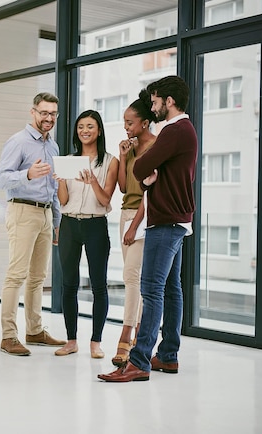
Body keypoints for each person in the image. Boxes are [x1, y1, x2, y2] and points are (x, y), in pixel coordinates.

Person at [98, 75, 197, 382]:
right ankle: (167, 356)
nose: (152, 107)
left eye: (155, 102)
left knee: (151, 290)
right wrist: (151, 175)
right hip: (177, 219)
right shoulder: (185, 130)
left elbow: (140, 169)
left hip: (165, 219)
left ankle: (138, 361)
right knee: (171, 290)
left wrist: (148, 174)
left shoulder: (173, 130)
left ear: (168, 101)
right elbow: (148, 174)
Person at [0, 92, 66, 356]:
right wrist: (27, 174)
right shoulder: (19, 142)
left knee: (38, 277)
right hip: (22, 211)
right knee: (16, 275)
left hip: (46, 214)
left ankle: (34, 330)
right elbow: (0, 180)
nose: (48, 118)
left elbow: (53, 185)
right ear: (33, 112)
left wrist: (56, 220)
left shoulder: (52, 146)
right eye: (44, 112)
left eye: (53, 114)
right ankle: (8, 336)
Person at [53, 110, 118, 357]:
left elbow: (105, 200)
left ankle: (96, 343)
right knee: (68, 285)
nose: (85, 131)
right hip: (69, 224)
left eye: (90, 126)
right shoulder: (68, 160)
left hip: (95, 225)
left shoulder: (110, 162)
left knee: (98, 285)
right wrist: (60, 180)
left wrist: (92, 181)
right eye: (81, 127)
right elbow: (63, 201)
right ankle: (71, 341)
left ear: (99, 130)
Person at [111, 90, 157, 367]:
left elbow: (150, 193)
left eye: (130, 122)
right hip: (126, 213)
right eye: (124, 122)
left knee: (131, 277)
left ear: (144, 122)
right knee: (133, 279)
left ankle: (126, 334)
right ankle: (138, 330)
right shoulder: (132, 148)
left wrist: (134, 225)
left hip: (143, 215)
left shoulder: (157, 147)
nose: (126, 127)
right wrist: (123, 156)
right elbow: (124, 188)